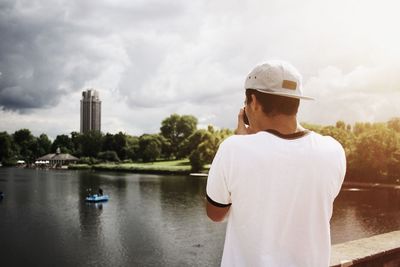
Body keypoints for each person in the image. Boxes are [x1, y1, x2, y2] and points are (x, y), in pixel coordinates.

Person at [206, 60, 346, 267]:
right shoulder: (333, 150)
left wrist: (247, 141)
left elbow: (215, 214)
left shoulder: (234, 148)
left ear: (253, 101)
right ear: (296, 102)